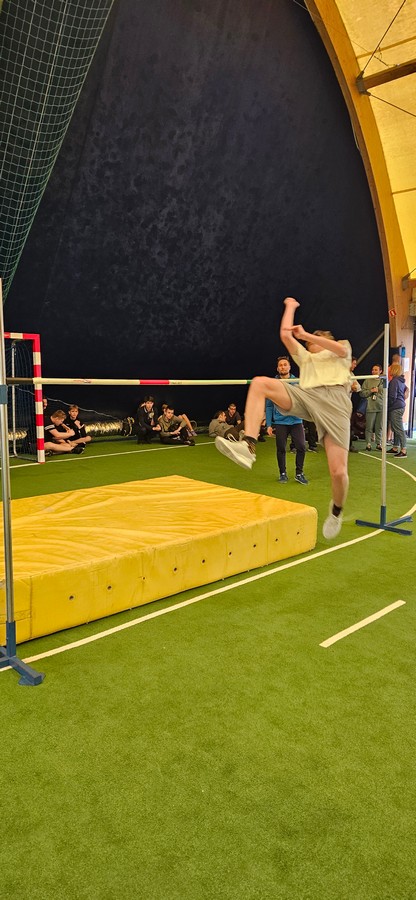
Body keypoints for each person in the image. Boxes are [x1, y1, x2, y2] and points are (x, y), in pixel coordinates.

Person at [215, 296, 352, 539]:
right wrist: (290, 307)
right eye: (310, 342)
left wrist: (307, 334)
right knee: (260, 383)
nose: (312, 343)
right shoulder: (306, 358)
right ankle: (248, 445)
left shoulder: (341, 348)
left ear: (327, 339)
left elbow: (339, 349)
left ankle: (336, 510)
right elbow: (285, 335)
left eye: (318, 339)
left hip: (336, 405)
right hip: (308, 396)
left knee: (339, 472)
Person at [265, 356, 308, 484]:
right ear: (277, 368)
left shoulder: (297, 382)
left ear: (289, 367)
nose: (283, 367)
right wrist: (269, 424)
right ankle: (282, 473)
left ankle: (299, 473)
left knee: (301, 447)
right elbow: (269, 406)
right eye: (280, 365)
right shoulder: (273, 384)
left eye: (285, 364)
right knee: (281, 448)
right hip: (280, 422)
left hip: (296, 421)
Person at [387, 363, 408, 457]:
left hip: (396, 407)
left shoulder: (394, 381)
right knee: (396, 427)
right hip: (400, 406)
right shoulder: (401, 381)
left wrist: (387, 405)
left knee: (398, 428)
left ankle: (403, 450)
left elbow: (392, 396)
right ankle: (395, 447)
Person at [361, 364, 383, 451]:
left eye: (376, 370)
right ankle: (368, 443)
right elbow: (362, 393)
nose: (373, 371)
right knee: (369, 426)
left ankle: (379, 443)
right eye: (373, 370)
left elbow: (387, 393)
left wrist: (379, 391)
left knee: (379, 426)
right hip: (370, 406)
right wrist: (371, 391)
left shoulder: (383, 381)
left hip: (381, 406)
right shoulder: (367, 380)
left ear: (380, 371)